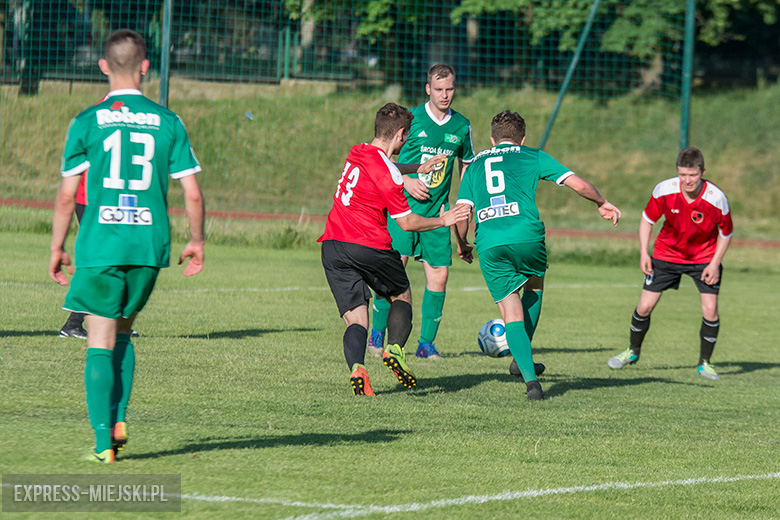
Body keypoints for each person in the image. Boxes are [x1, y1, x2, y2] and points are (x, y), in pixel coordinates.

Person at [49, 29, 205, 462]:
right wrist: (196, 240)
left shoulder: (86, 121)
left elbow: (66, 196)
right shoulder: (168, 121)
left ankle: (104, 442)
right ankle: (119, 416)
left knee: (98, 336)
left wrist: (58, 247)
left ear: (103, 66)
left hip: (101, 241)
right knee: (122, 330)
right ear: (145, 67)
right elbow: (192, 194)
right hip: (147, 246)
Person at [454, 110, 622, 400]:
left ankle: (531, 382)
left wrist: (462, 243)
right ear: (522, 139)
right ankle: (521, 361)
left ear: (492, 139)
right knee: (534, 287)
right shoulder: (532, 155)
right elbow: (579, 184)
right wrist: (601, 202)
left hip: (490, 240)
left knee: (510, 311)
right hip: (526, 235)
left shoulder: (475, 165)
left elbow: (462, 211)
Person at [319, 102, 470, 395]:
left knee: (355, 319)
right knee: (401, 293)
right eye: (407, 135)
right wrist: (444, 220)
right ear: (400, 134)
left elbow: (387, 165)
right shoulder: (387, 175)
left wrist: (418, 168)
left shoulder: (358, 152)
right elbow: (408, 222)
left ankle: (358, 368)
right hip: (367, 245)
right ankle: (395, 349)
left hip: (333, 246)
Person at [368, 64, 475, 360]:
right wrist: (406, 180)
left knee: (439, 276)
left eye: (449, 89)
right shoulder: (411, 119)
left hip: (438, 213)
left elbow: (466, 164)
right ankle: (377, 335)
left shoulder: (461, 126)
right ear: (428, 89)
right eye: (438, 89)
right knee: (392, 272)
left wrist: (464, 201)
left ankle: (426, 344)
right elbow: (382, 159)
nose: (445, 95)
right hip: (403, 210)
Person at [607, 146, 732, 380]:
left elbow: (726, 233)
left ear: (702, 172)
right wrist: (644, 253)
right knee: (644, 307)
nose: (687, 180)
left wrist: (715, 263)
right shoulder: (665, 190)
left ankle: (705, 364)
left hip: (704, 258)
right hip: (666, 254)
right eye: (682, 174)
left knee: (710, 310)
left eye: (692, 175)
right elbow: (647, 219)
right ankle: (632, 351)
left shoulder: (716, 198)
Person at [58, 173, 139, 339]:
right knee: (103, 263)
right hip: (94, 201)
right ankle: (73, 324)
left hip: (108, 200)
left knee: (117, 260)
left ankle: (117, 323)